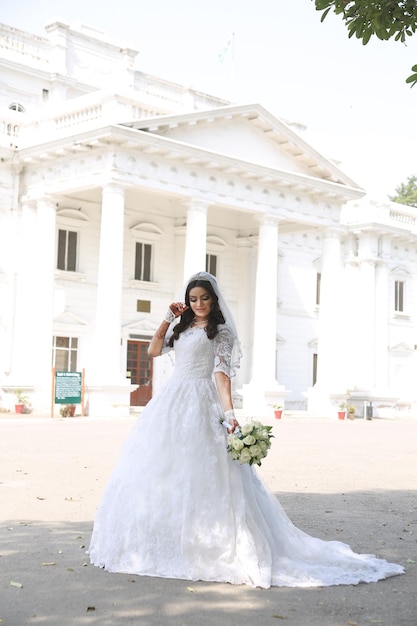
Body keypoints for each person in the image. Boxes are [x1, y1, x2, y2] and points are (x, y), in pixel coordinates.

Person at [88, 271, 404, 588]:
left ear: (214, 299)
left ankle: (211, 542)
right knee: (161, 467)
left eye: (204, 298)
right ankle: (164, 538)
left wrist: (229, 414)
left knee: (206, 470)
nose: (198, 304)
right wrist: (167, 318)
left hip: (201, 400)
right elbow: (154, 351)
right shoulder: (181, 327)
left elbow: (222, 374)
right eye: (193, 299)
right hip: (171, 401)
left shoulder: (221, 333)